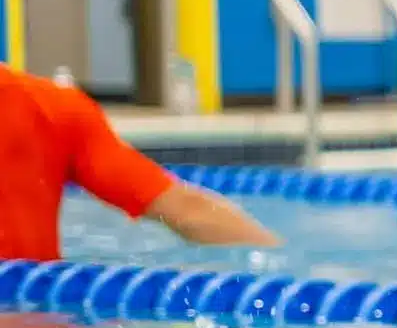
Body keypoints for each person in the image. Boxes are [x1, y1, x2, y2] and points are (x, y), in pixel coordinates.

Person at [1, 63, 278, 261]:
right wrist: (274, 260)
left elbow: (185, 209)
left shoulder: (55, 110)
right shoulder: (52, 106)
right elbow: (186, 209)